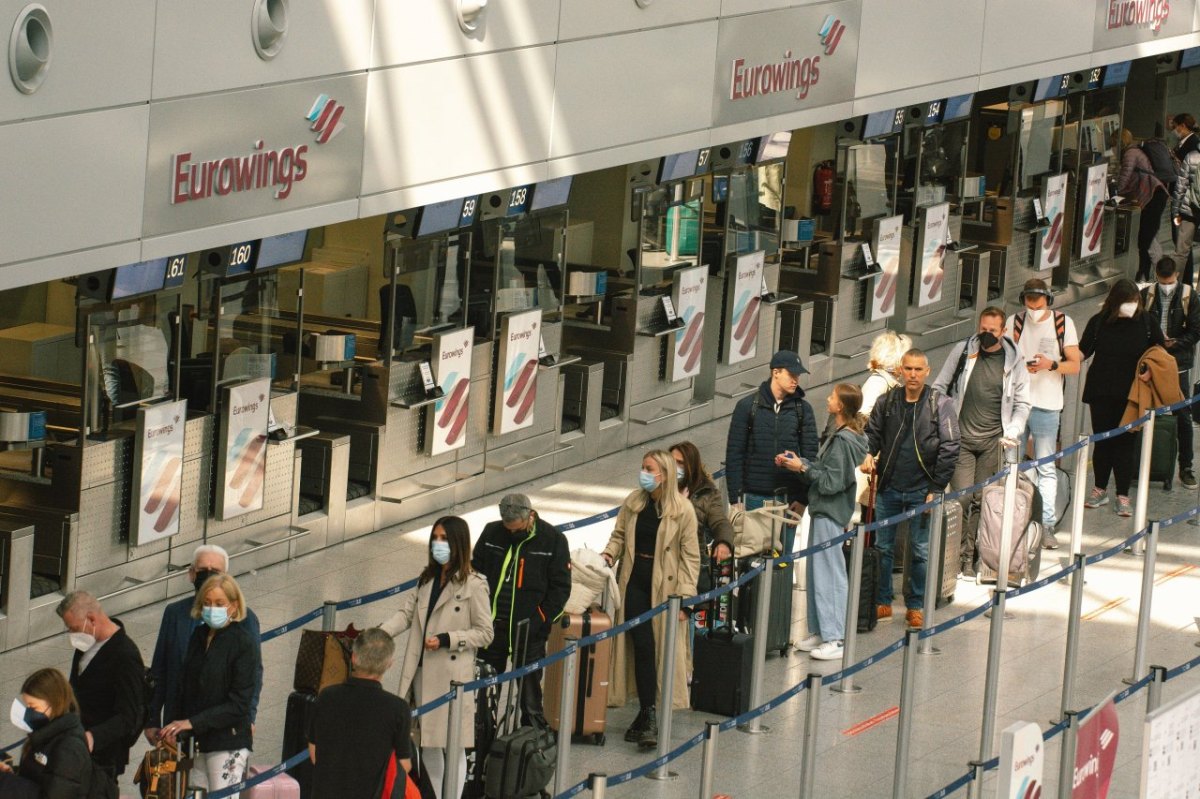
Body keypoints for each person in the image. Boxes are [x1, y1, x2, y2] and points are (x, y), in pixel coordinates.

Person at [381, 516, 492, 799]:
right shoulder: (427, 579)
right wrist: (380, 633)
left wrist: (448, 639)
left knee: (454, 746)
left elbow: (485, 633)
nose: (438, 544)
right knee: (428, 743)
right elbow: (406, 614)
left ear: (458, 543)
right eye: (435, 538)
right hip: (422, 673)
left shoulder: (474, 585)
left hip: (451, 678)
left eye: (444, 539)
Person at [601, 450, 699, 749]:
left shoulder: (683, 510)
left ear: (664, 475)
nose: (643, 473)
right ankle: (648, 712)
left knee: (659, 650)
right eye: (642, 467)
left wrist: (686, 599)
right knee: (642, 646)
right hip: (634, 583)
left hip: (665, 589)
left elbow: (691, 558)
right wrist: (609, 554)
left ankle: (648, 713)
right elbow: (619, 536)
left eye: (649, 468)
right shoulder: (634, 503)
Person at [862, 349, 960, 629]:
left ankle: (915, 605)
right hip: (889, 487)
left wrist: (936, 486)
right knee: (883, 547)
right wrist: (867, 453)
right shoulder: (887, 402)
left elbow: (951, 446)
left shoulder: (940, 404)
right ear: (900, 370)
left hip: (922, 490)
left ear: (927, 372)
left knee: (920, 550)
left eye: (918, 369)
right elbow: (872, 434)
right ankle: (882, 600)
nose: (913, 375)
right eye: (908, 369)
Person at [933, 307, 1031, 578]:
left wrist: (1014, 430)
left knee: (982, 500)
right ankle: (954, 556)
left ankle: (971, 557)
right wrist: (944, 422)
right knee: (962, 498)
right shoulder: (963, 351)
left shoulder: (1015, 361)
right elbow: (939, 387)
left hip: (992, 442)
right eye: (983, 329)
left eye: (992, 330)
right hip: (961, 440)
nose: (986, 334)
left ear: (1003, 331)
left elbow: (1022, 403)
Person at [781, 384, 868, 661]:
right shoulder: (839, 435)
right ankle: (821, 630)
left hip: (830, 512)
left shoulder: (843, 440)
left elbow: (831, 482)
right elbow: (827, 471)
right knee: (817, 573)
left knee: (829, 574)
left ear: (840, 406)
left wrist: (802, 468)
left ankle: (835, 637)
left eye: (832, 397)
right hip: (824, 512)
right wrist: (801, 463)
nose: (828, 399)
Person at [145, 545, 262, 745]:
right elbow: (160, 669)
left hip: (222, 727)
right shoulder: (175, 613)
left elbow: (253, 676)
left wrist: (249, 717)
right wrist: (152, 718)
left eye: (215, 571)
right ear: (191, 574)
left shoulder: (246, 619)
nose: (208, 576)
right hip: (176, 725)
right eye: (202, 570)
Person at [472, 494, 571, 728]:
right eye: (508, 529)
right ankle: (481, 736)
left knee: (530, 696)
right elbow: (475, 572)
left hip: (529, 631)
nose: (512, 533)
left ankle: (531, 735)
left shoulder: (553, 540)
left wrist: (541, 620)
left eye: (517, 529)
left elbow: (561, 588)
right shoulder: (491, 533)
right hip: (491, 627)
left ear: (530, 516)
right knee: (485, 693)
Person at [159, 573, 259, 796]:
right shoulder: (199, 635)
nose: (212, 609)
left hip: (228, 741)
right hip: (199, 741)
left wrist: (192, 722)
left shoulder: (243, 643)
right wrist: (176, 726)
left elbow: (239, 704)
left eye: (219, 603)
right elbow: (185, 685)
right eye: (207, 603)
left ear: (234, 606)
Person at [1006, 279, 1084, 550]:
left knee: (1046, 466)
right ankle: (1010, 518)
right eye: (1029, 303)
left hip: (1048, 405)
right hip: (1017, 404)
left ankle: (1047, 524)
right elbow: (1003, 358)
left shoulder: (1063, 323)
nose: (1033, 309)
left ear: (1048, 301)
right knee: (1011, 463)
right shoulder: (1014, 322)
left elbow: (1074, 365)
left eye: (1038, 304)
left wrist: (1051, 365)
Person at [1079, 279, 1166, 517]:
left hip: (1132, 394)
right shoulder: (1099, 321)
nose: (1131, 305)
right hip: (1101, 391)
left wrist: (1151, 370)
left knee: (1125, 444)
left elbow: (1160, 350)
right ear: (1115, 301)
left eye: (1134, 301)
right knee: (1102, 441)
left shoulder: (1146, 322)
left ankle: (1123, 495)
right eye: (1127, 301)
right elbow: (1083, 350)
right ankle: (1099, 489)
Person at [724, 349, 819, 554]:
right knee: (750, 558)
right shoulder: (747, 406)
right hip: (753, 498)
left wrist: (803, 499)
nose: (796, 380)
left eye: (798, 375)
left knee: (782, 562)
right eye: (791, 374)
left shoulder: (803, 410)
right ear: (776, 372)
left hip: (789, 500)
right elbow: (734, 454)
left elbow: (810, 457)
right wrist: (735, 498)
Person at [56, 591, 144, 793]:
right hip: (77, 744)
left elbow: (127, 716)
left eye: (74, 628)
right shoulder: (86, 643)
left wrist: (93, 736)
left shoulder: (125, 655)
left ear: (92, 619)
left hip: (104, 755)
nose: (72, 635)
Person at [308, 628, 412, 799]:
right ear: (389, 664)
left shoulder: (326, 697)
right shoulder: (398, 708)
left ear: (354, 658)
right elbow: (403, 765)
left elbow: (314, 753)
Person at [1141, 257, 1200, 488]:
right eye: (1163, 282)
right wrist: (1156, 344)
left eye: (1170, 281)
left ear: (1176, 275)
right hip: (1152, 360)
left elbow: (1196, 330)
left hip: (1178, 364)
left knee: (1182, 414)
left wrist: (1173, 344)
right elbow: (1140, 325)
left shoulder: (1189, 296)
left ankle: (1186, 466)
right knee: (1142, 409)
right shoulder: (1147, 295)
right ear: (1156, 276)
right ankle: (1140, 462)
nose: (1166, 286)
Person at [0, 669, 93, 799]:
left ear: (54, 703)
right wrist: (12, 773)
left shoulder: (69, 749)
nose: (29, 712)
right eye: (27, 707)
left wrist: (5, 781)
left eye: (33, 707)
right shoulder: (47, 733)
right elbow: (36, 776)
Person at [669, 440, 735, 573]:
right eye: (671, 461)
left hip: (691, 563)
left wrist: (723, 543)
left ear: (691, 466)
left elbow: (720, 522)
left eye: (680, 463)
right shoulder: (659, 487)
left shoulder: (707, 493)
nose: (674, 467)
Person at [1114, 130, 1168, 283]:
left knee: (1146, 239)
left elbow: (1125, 176)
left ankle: (1154, 275)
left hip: (1153, 196)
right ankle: (1146, 274)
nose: (1112, 147)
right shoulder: (1136, 150)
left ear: (1119, 142)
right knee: (1148, 238)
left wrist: (1115, 192)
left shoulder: (1130, 153)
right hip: (1155, 195)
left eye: (1113, 144)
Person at [1170, 112, 1200, 285]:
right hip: (1191, 209)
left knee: (1181, 251)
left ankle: (1177, 287)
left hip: (1188, 209)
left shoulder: (1191, 155)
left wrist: (1176, 211)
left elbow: (1181, 185)